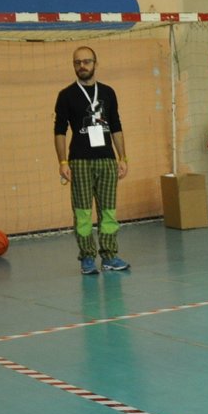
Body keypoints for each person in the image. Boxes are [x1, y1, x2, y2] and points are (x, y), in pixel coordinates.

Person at [53, 46, 130, 274]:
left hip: (106, 161)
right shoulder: (66, 95)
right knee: (83, 212)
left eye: (86, 61)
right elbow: (59, 131)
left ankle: (109, 256)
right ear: (74, 66)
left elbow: (115, 126)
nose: (82, 66)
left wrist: (122, 157)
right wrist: (63, 162)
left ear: (96, 63)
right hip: (79, 162)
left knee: (108, 211)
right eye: (77, 62)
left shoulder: (108, 92)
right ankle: (87, 258)